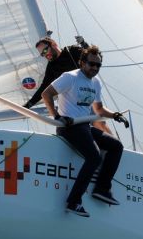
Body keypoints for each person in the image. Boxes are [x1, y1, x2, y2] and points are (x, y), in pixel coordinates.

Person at [41, 45, 129, 217]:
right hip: (68, 126)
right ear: (82, 62)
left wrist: (115, 115)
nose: (95, 68)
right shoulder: (70, 77)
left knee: (116, 146)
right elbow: (46, 94)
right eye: (91, 64)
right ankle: (74, 201)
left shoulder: (95, 83)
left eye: (98, 65)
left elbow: (99, 110)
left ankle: (102, 189)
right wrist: (56, 116)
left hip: (84, 126)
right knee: (94, 157)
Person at [25, 34, 111, 134]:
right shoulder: (51, 67)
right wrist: (27, 105)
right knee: (79, 128)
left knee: (99, 122)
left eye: (45, 51)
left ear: (53, 44)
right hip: (69, 103)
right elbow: (43, 89)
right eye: (42, 54)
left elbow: (91, 57)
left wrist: (84, 44)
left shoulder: (72, 50)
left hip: (85, 95)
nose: (45, 55)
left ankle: (112, 141)